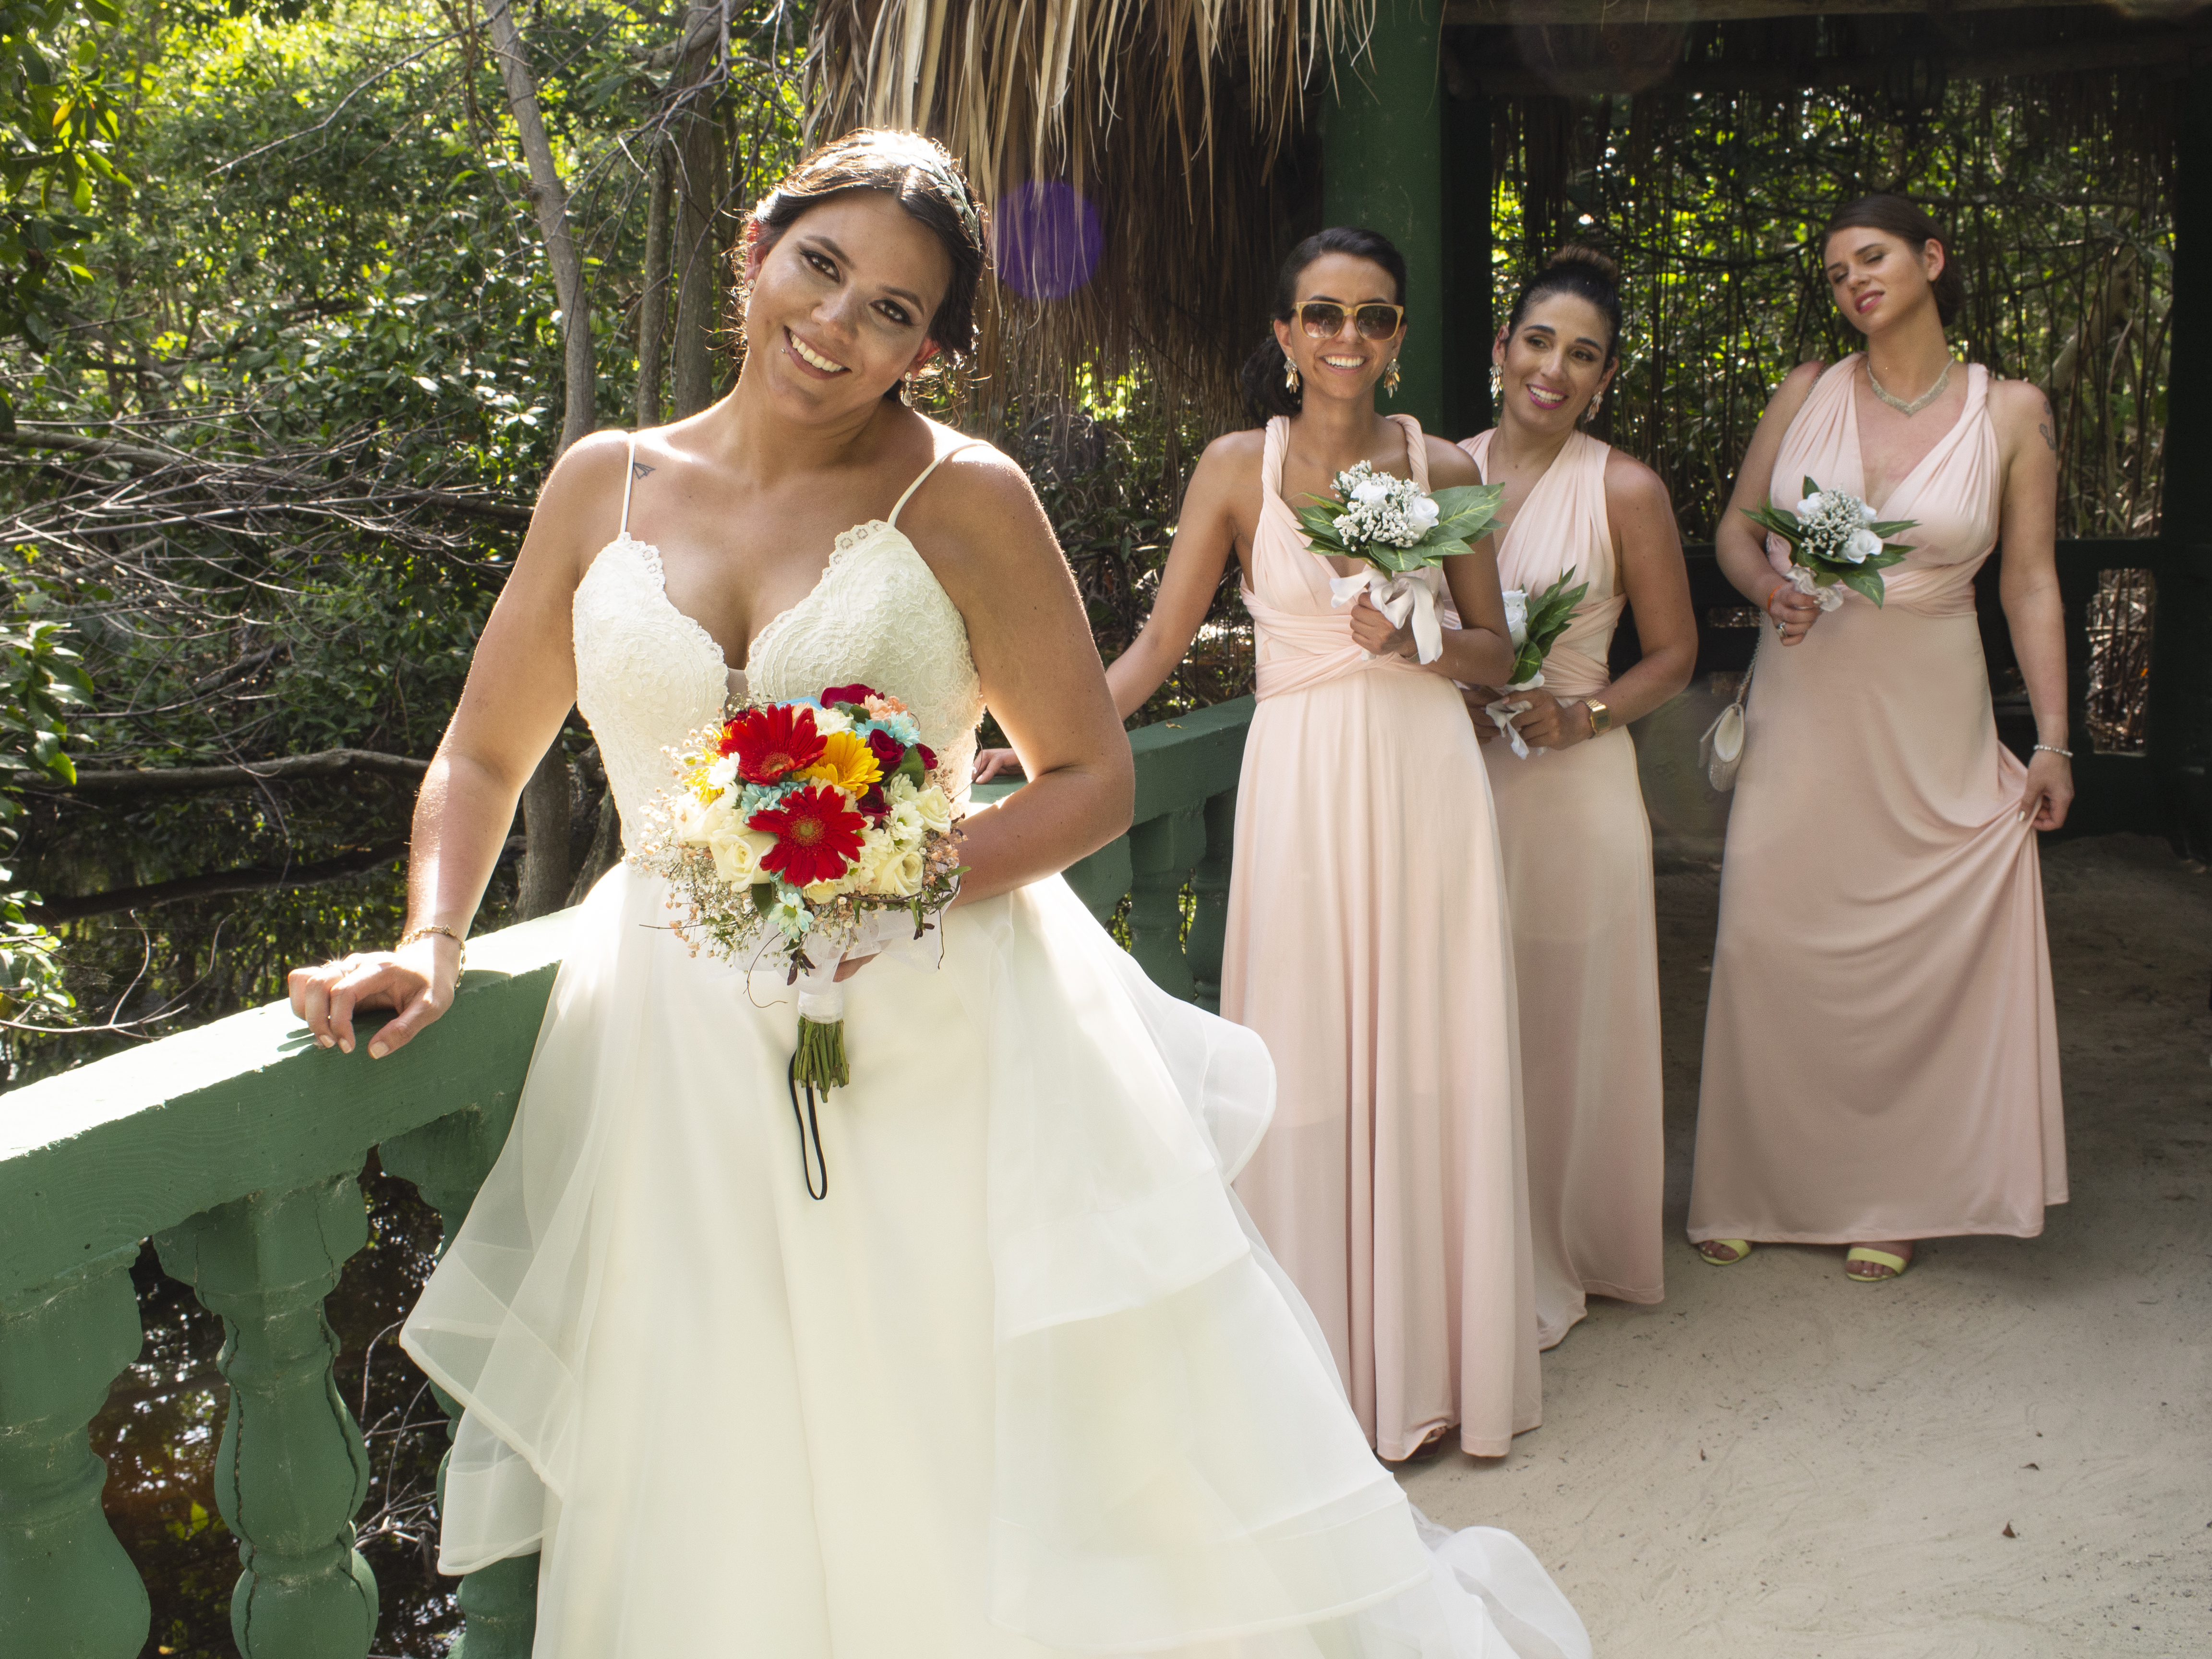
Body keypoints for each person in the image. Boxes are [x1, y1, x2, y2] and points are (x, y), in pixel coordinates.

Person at [285, 134, 1588, 1657]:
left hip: (932, 1030)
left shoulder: (966, 495)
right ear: (755, 249)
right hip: (672, 1059)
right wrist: (433, 939)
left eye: (897, 312)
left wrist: (892, 876)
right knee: (723, 1458)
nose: (838, 325)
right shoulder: (604, 482)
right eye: (820, 267)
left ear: (932, 349)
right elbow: (481, 752)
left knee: (963, 1450)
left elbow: (1086, 776)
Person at [1031, 226, 1541, 1462]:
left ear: (1401, 334)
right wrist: (1046, 740)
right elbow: (1157, 648)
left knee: (1433, 1040)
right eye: (1322, 315)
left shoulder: (1445, 461)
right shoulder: (1229, 469)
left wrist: (1410, 641)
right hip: (1303, 783)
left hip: (1424, 779)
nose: (1347, 339)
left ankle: (1436, 1361)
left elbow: (1498, 653)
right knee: (1304, 1051)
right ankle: (1314, 1378)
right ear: (1284, 334)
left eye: (1373, 316)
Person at [1690, 193, 2069, 1283]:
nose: (1854, 280)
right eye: (1836, 271)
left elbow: (2031, 583)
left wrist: (2053, 740)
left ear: (1932, 260)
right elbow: (1735, 526)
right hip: (1805, 698)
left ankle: (1892, 1191)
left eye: (1874, 257)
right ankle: (1755, 1182)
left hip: (1929, 708)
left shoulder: (2014, 413)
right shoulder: (1805, 392)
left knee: (1909, 950)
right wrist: (1770, 586)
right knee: (1771, 935)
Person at [1457, 247, 1695, 1346]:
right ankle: (1470, 1246)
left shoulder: (1625, 488)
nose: (1554, 369)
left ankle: (1569, 1246)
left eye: (1582, 356)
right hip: (1456, 784)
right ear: (1503, 348)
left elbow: (1676, 657)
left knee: (1564, 1023)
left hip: (1576, 784)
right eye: (1539, 342)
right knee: (1467, 1015)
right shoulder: (1428, 473)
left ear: (1603, 382)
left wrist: (1582, 712)